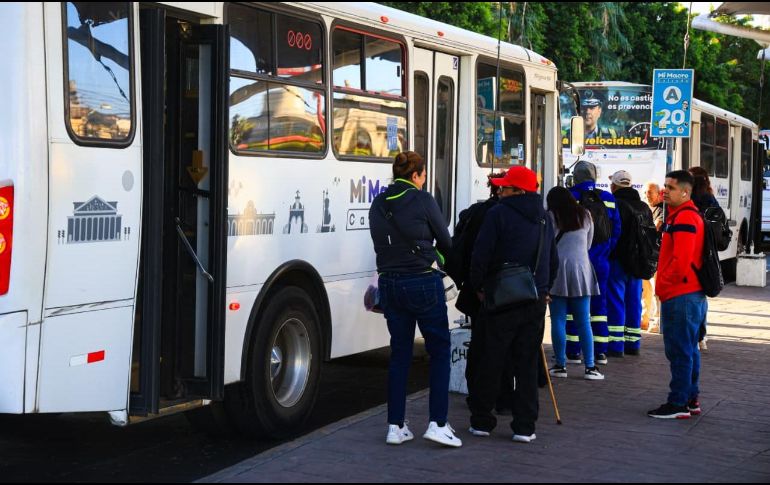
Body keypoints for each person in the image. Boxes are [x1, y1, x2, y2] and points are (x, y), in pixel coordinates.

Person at [369, 151, 461, 447]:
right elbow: (445, 242)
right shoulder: (423, 199)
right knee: (439, 351)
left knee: (399, 355)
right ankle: (438, 423)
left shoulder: (379, 203)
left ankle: (395, 427)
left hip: (390, 284)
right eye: (423, 176)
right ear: (417, 175)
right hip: (422, 281)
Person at [466, 166, 558, 443]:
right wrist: (543, 290)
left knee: (491, 360)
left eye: (505, 187)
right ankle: (524, 426)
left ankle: (482, 421)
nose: (500, 190)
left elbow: (480, 254)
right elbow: (552, 261)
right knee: (527, 363)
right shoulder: (544, 218)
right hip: (534, 301)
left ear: (518, 190)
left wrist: (479, 287)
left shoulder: (498, 214)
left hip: (501, 299)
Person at [446, 172, 518, 412]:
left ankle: (476, 396)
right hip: (508, 291)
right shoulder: (513, 215)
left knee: (479, 346)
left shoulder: (474, 213)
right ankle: (505, 398)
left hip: (479, 293)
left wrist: (473, 285)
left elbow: (464, 252)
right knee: (505, 346)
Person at [648, 170, 706, 419]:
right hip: (689, 293)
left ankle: (679, 403)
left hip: (681, 294)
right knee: (688, 349)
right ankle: (690, 399)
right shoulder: (684, 215)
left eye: (670, 188)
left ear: (685, 191)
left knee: (680, 351)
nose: (665, 191)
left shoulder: (684, 218)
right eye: (665, 186)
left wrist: (665, 285)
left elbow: (681, 261)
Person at [566, 161, 622, 365]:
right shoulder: (607, 197)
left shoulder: (570, 196)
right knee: (600, 307)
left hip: (576, 261)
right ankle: (600, 352)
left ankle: (573, 351)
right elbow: (616, 230)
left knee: (573, 307)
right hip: (601, 262)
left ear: (576, 177)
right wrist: (605, 251)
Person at [546, 186, 604, 381]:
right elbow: (588, 243)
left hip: (558, 272)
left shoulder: (551, 217)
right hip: (582, 269)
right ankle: (590, 366)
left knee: (558, 320)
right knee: (583, 321)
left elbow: (547, 245)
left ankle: (560, 365)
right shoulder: (585, 215)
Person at [607, 170, 654, 356]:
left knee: (616, 302)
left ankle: (616, 346)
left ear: (614, 186)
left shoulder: (614, 205)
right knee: (634, 301)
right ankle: (633, 344)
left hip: (618, 261)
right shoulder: (643, 207)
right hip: (637, 263)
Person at [688, 166, 718, 351]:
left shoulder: (688, 199)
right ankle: (701, 337)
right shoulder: (710, 199)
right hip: (707, 253)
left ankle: (694, 335)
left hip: (691, 249)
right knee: (701, 297)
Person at [642, 181, 664, 333]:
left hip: (657, 256)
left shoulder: (662, 209)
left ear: (658, 193)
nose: (647, 195)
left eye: (649, 192)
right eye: (645, 193)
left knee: (656, 289)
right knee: (646, 289)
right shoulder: (646, 208)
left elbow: (656, 226)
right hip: (646, 254)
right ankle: (644, 318)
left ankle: (657, 321)